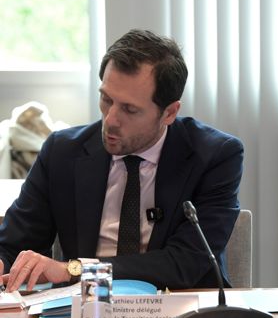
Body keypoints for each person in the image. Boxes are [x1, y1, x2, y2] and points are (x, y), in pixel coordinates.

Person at [0, 29, 243, 291]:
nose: (111, 120)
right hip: (86, 308)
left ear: (169, 113)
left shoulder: (215, 157)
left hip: (179, 305)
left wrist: (76, 270)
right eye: (106, 99)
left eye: (129, 109)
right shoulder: (63, 152)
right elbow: (14, 245)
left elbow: (186, 263)